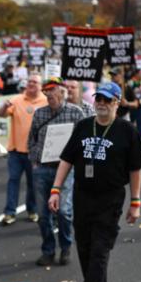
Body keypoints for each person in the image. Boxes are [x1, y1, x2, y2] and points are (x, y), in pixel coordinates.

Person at [49, 82, 141, 282]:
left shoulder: (127, 131)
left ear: (117, 102)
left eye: (106, 99)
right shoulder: (84, 126)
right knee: (84, 246)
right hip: (83, 196)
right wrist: (56, 189)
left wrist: (136, 201)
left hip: (110, 198)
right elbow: (66, 159)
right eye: (98, 99)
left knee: (100, 248)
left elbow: (135, 169)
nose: (101, 103)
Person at [27, 78, 84, 266]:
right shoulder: (39, 114)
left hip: (66, 170)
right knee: (43, 214)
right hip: (42, 169)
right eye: (45, 91)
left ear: (61, 91)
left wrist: (76, 161)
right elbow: (32, 140)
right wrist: (35, 162)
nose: (49, 94)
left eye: (52, 90)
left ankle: (66, 246)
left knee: (64, 212)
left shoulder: (76, 113)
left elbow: (84, 140)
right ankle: (48, 250)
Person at [0, 73, 47, 225]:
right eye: (30, 81)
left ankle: (32, 210)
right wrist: (4, 106)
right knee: (13, 181)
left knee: (33, 183)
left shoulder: (46, 101)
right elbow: (1, 114)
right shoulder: (17, 99)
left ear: (41, 86)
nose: (31, 84)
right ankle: (9, 212)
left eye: (35, 82)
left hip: (35, 153)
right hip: (15, 151)